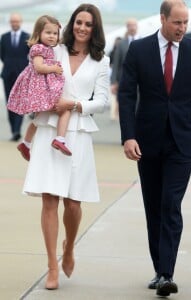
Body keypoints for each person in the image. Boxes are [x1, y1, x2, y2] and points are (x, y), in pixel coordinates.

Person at [118, 0, 191, 297]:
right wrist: (128, 136)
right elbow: (125, 94)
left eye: (186, 23)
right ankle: (160, 268)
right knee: (154, 207)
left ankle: (166, 273)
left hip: (182, 142)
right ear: (162, 19)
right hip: (146, 141)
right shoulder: (139, 49)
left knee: (171, 204)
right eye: (177, 22)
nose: (183, 28)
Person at [22, 3, 109, 290]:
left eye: (88, 24)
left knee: (73, 204)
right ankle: (51, 267)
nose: (82, 28)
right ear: (72, 24)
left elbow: (103, 101)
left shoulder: (101, 61)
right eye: (79, 22)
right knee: (49, 200)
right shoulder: (54, 49)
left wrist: (74, 104)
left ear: (94, 29)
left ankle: (69, 246)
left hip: (78, 131)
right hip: (49, 129)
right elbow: (34, 71)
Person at [7, 15, 69, 162]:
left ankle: (26, 143)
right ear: (38, 33)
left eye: (55, 33)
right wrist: (54, 68)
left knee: (39, 118)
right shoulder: (39, 48)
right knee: (63, 109)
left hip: (42, 87)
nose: (52, 36)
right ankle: (59, 139)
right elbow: (39, 67)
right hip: (40, 89)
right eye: (48, 33)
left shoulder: (47, 48)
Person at [0, 13, 30, 141]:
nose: (14, 24)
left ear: (21, 22)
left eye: (16, 21)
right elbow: (2, 55)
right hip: (7, 74)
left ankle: (17, 130)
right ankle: (14, 131)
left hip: (22, 75)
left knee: (21, 102)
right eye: (12, 21)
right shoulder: (4, 37)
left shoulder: (27, 37)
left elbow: (31, 56)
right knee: (10, 103)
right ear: (10, 23)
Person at [110, 18, 139, 120]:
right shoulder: (121, 44)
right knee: (124, 103)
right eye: (130, 26)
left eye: (134, 25)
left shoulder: (143, 41)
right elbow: (116, 63)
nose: (132, 28)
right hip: (124, 80)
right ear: (127, 28)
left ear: (137, 26)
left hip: (140, 81)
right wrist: (113, 82)